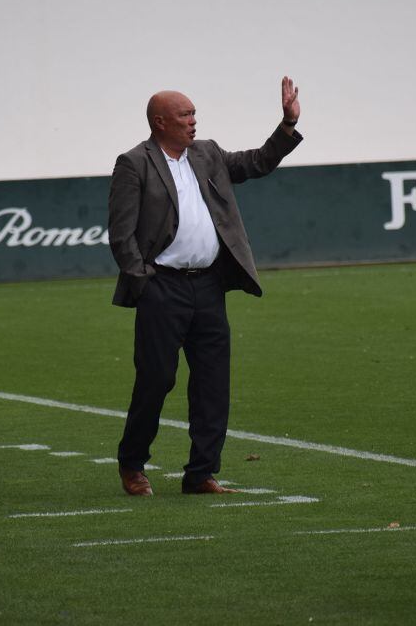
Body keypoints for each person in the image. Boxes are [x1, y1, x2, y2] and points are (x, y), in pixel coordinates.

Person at [108, 77, 302, 496]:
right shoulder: (134, 163)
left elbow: (256, 163)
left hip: (209, 286)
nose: (193, 121)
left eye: (194, 113)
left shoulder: (208, 153)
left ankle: (201, 473)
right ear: (160, 122)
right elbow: (121, 235)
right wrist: (143, 280)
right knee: (156, 380)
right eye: (185, 115)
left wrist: (287, 125)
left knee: (213, 382)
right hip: (162, 287)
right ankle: (132, 463)